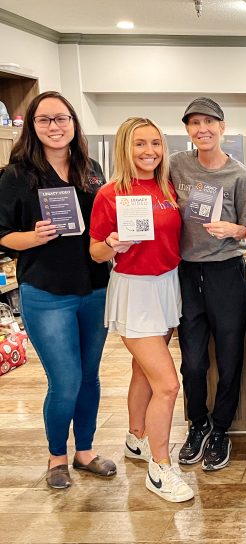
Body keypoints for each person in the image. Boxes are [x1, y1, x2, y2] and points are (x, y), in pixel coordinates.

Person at [0, 91, 114, 489]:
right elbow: (2, 235)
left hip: (95, 288)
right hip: (46, 292)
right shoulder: (15, 175)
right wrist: (32, 238)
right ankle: (56, 457)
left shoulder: (92, 169)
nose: (55, 126)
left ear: (73, 123)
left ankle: (85, 451)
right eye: (45, 120)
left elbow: (102, 222)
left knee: (90, 377)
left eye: (62, 118)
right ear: (33, 126)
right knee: (64, 380)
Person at [90, 117, 192, 502]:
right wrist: (113, 244)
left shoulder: (167, 187)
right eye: (140, 144)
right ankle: (160, 468)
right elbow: (95, 249)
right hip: (135, 291)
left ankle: (136, 438)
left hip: (166, 285)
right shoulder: (110, 193)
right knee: (167, 384)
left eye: (155, 143)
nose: (149, 151)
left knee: (144, 373)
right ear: (124, 148)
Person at [170, 97, 246, 472]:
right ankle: (197, 423)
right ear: (188, 130)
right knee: (192, 362)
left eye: (209, 121)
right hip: (186, 273)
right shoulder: (176, 166)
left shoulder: (240, 176)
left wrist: (234, 229)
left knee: (230, 355)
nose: (202, 129)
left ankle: (221, 429)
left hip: (226, 271)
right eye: (194, 123)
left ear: (222, 126)